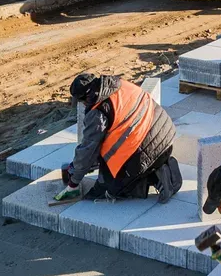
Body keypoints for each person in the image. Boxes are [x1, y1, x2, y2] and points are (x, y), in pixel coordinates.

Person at [57, 73, 182, 203]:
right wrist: (81, 166)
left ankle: (157, 178)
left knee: (109, 190)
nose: (83, 105)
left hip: (148, 148)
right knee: (117, 161)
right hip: (165, 135)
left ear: (85, 97)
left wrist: (74, 181)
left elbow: (88, 150)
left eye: (81, 102)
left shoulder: (98, 111)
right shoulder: (118, 84)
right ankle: (160, 165)